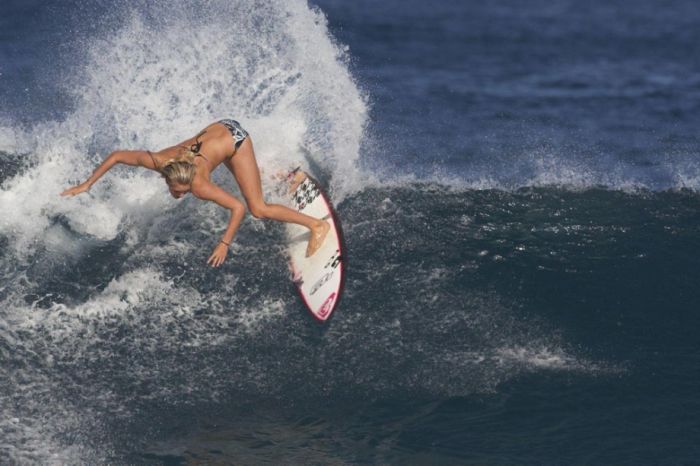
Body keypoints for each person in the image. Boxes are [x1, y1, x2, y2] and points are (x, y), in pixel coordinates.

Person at [61, 119, 330, 267]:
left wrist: (224, 243)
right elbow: (118, 155)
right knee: (235, 170)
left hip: (236, 139)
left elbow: (237, 208)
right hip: (221, 126)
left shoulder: (199, 185)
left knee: (258, 207)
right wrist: (87, 184)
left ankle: (316, 226)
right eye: (175, 190)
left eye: (183, 191)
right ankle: (289, 177)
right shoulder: (157, 161)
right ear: (167, 177)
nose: (179, 195)